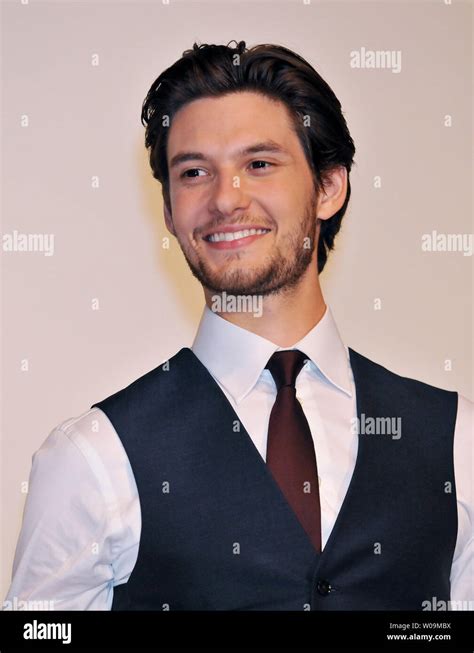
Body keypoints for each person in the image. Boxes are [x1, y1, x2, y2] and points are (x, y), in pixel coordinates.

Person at [5, 40, 472, 611]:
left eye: (259, 164)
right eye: (195, 171)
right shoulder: (91, 457)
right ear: (171, 212)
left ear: (329, 187)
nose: (226, 199)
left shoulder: (455, 441)